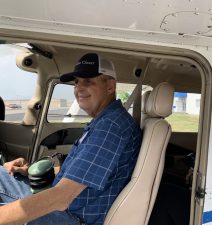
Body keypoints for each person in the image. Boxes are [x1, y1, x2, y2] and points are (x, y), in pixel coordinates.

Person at [0, 53, 142, 225]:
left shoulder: (111, 126)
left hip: (71, 217)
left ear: (110, 86)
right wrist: (30, 171)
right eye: (76, 82)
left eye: (88, 81)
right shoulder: (105, 121)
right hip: (67, 208)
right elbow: (80, 172)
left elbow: (62, 197)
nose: (79, 88)